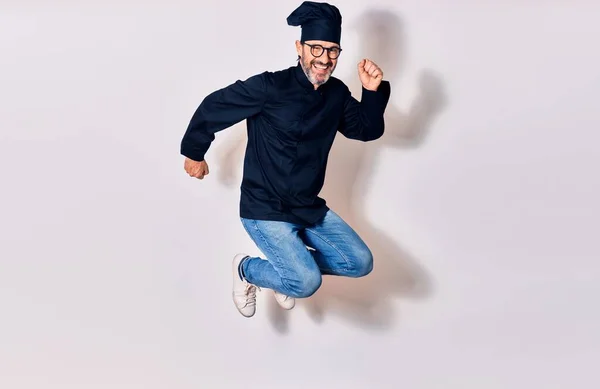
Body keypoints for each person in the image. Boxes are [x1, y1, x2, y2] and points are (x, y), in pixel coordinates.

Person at [180, 1, 391, 317]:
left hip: (307, 206)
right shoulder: (270, 87)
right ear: (300, 47)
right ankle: (246, 269)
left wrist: (372, 92)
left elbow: (364, 130)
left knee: (359, 262)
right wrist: (194, 152)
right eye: (316, 49)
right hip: (265, 208)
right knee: (306, 282)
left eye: (333, 51)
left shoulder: (336, 94)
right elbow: (214, 106)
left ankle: (283, 276)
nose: (324, 59)